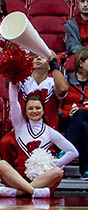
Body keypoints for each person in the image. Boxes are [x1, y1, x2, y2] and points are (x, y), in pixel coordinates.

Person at [0, 83, 78, 198]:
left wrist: (54, 164)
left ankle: (18, 193)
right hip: (19, 178)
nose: (34, 111)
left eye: (38, 108)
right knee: (1, 164)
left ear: (43, 111)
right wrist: (12, 85)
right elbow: (13, 102)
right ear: (25, 111)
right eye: (30, 108)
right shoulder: (19, 126)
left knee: (58, 172)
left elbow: (73, 152)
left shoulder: (50, 132)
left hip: (42, 179)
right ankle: (33, 191)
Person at [0, 51, 67, 167]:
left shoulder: (52, 82)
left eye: (43, 57)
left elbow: (63, 90)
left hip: (47, 131)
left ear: (50, 64)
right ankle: (8, 176)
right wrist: (14, 57)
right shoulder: (23, 81)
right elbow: (8, 82)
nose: (38, 58)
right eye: (35, 56)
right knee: (5, 142)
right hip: (22, 129)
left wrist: (54, 64)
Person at [60, 49, 88, 180]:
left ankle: (66, 150)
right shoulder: (66, 81)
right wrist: (67, 113)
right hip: (70, 121)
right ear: (81, 63)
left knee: (82, 112)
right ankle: (85, 170)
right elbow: (57, 107)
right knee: (84, 127)